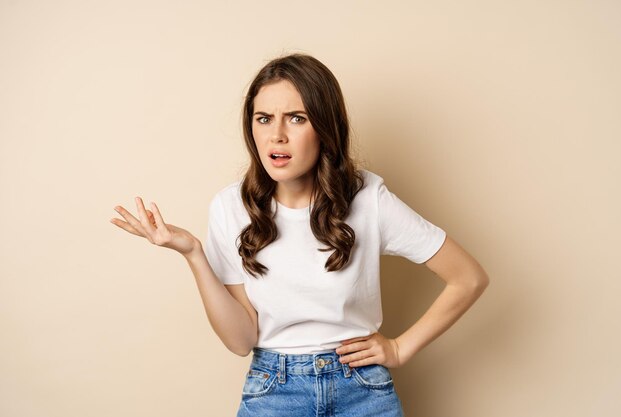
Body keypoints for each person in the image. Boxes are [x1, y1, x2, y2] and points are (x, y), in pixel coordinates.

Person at [110, 53, 489, 417]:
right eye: (263, 119)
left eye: (296, 118)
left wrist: (400, 349)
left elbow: (468, 278)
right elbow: (241, 341)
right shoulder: (230, 207)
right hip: (274, 392)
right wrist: (192, 252)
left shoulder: (368, 198)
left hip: (362, 391)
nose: (276, 136)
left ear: (324, 128)